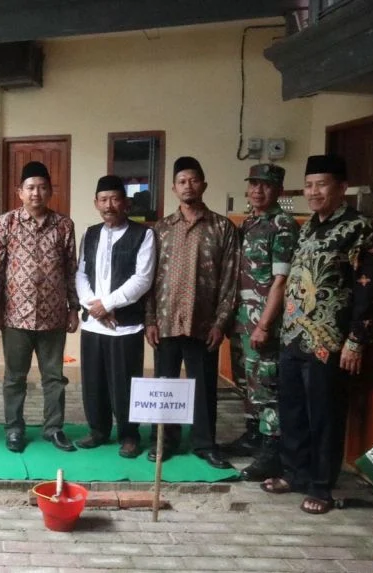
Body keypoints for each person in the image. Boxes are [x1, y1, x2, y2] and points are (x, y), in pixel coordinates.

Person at [263, 155, 373, 515]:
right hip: (294, 336)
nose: (314, 192)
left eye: (322, 184)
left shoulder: (358, 228)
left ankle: (321, 486)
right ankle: (296, 474)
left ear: (342, 187)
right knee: (293, 409)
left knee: (325, 415)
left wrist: (356, 339)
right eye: (309, 185)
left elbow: (369, 289)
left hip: (330, 341)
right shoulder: (309, 226)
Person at [144, 157, 239, 469]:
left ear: (204, 185)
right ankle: (166, 441)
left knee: (203, 385)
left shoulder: (222, 227)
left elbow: (230, 279)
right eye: (182, 181)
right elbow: (149, 277)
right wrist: (151, 319)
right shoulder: (160, 229)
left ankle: (205, 443)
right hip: (167, 320)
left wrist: (220, 323)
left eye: (194, 180)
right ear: (174, 188)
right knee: (166, 385)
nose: (188, 186)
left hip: (203, 322)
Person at [0, 161, 80, 453]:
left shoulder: (64, 225)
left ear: (50, 191)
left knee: (54, 377)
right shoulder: (5, 223)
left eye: (42, 187)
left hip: (53, 316)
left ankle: (53, 429)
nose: (36, 193)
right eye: (30, 187)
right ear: (20, 192)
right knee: (14, 377)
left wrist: (73, 307)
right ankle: (14, 428)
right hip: (15, 315)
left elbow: (71, 270)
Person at [225, 164, 299, 481]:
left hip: (262, 321)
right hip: (242, 319)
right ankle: (253, 434)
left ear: (279, 190)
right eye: (254, 184)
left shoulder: (282, 225)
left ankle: (272, 451)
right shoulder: (249, 223)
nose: (258, 190)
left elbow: (281, 281)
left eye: (266, 185)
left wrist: (265, 324)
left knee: (266, 386)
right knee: (247, 383)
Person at [75, 175, 155, 458]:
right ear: (96, 203)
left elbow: (142, 279)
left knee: (125, 383)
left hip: (125, 325)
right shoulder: (90, 233)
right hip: (94, 324)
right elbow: (81, 274)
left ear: (126, 203)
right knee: (94, 381)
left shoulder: (143, 235)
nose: (109, 205)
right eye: (103, 200)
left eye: (115, 199)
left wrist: (107, 304)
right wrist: (93, 306)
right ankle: (98, 430)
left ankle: (129, 435)